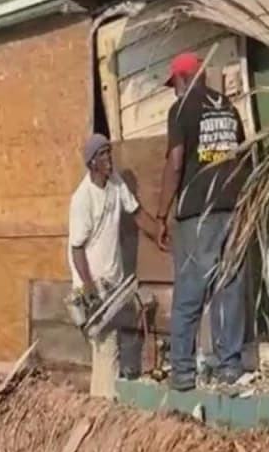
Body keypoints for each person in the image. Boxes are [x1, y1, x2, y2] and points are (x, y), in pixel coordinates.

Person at [154, 52, 249, 391]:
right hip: (233, 207)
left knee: (190, 290)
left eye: (173, 84)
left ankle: (181, 373)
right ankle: (230, 367)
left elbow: (176, 163)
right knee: (229, 287)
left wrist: (162, 214)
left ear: (180, 79)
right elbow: (241, 156)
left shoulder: (180, 109)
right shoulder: (228, 107)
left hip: (199, 212)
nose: (174, 91)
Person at [68, 133, 161, 398]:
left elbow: (137, 213)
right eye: (103, 154)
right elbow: (77, 251)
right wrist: (90, 292)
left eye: (109, 152)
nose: (109, 158)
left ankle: (100, 405)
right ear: (92, 163)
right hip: (94, 286)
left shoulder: (116, 182)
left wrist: (161, 234)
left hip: (116, 284)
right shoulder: (82, 199)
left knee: (108, 350)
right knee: (107, 347)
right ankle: (106, 406)